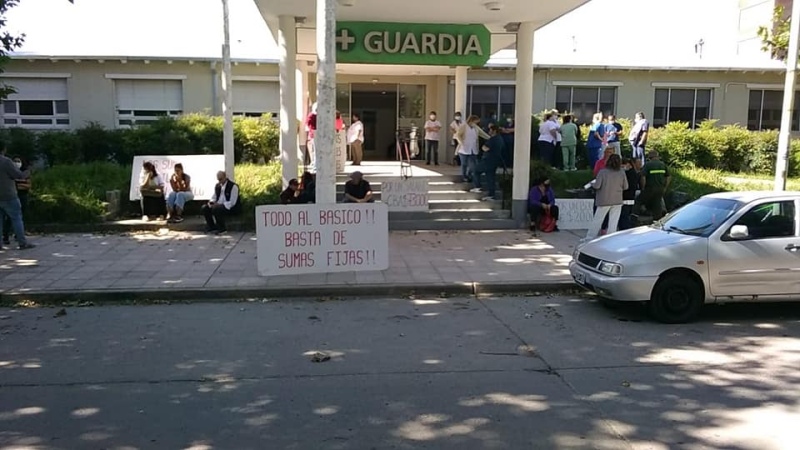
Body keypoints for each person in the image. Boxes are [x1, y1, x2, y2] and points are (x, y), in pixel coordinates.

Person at [586, 154, 628, 241]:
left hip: (604, 200)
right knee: (613, 222)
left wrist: (592, 184)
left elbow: (597, 186)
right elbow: (626, 187)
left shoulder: (603, 172)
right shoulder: (622, 172)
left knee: (597, 220)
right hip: (617, 200)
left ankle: (589, 238)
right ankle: (610, 239)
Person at [0, 148, 34, 250]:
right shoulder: (5, 161)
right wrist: (28, 171)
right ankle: (22, 242)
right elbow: (18, 175)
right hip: (8, 195)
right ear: (3, 149)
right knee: (17, 218)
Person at [470, 124, 504, 201]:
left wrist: (482, 147)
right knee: (490, 177)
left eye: (490, 130)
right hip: (495, 161)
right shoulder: (500, 139)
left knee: (475, 170)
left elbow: (485, 148)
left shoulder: (493, 139)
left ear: (494, 131)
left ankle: (477, 186)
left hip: (488, 160)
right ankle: (491, 195)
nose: (489, 131)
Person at [639, 150, 671, 221]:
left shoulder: (648, 165)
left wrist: (643, 187)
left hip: (650, 188)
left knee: (639, 200)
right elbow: (668, 177)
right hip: (660, 188)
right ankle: (657, 220)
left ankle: (638, 216)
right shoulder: (663, 164)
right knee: (657, 204)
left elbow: (643, 177)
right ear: (657, 156)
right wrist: (665, 187)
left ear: (650, 157)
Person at [455, 115, 489, 183]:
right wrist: (461, 142)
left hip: (473, 149)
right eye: (475, 122)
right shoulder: (464, 126)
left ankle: (469, 174)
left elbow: (482, 134)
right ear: (471, 121)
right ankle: (464, 176)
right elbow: (458, 135)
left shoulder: (476, 128)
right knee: (464, 164)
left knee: (473, 164)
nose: (476, 124)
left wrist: (490, 138)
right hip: (463, 149)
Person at [619, 157, 642, 230]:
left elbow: (626, 186)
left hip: (626, 197)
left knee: (624, 215)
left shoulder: (628, 173)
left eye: (623, 165)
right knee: (626, 214)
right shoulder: (633, 172)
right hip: (630, 197)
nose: (622, 167)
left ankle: (624, 229)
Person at [305, 102, 318, 169]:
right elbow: (310, 126)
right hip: (314, 135)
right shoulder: (311, 116)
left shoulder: (315, 115)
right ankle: (315, 164)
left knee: (316, 150)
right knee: (315, 150)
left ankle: (315, 163)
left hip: (317, 135)